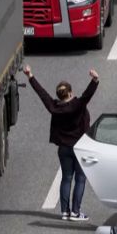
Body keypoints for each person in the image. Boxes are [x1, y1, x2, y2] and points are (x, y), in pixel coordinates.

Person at [23, 65, 99, 221]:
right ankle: (76, 212)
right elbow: (87, 95)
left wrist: (31, 76)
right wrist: (95, 79)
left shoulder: (54, 107)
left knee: (66, 178)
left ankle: (65, 211)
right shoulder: (78, 105)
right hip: (80, 147)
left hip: (63, 148)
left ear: (59, 95)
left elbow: (42, 94)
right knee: (80, 178)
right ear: (70, 93)